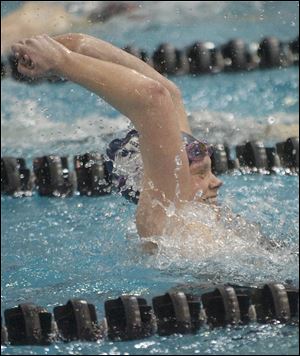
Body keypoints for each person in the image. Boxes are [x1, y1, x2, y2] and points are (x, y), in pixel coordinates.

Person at [11, 33, 223, 241]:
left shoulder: (198, 216)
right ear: (148, 180)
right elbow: (153, 98)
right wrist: (61, 61)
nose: (217, 182)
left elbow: (170, 93)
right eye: (201, 174)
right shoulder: (166, 221)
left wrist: (77, 45)